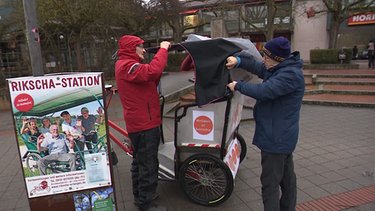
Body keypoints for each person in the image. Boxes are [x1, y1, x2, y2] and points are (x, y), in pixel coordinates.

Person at [226, 36, 305, 211]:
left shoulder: (289, 75)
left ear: (278, 59)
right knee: (286, 179)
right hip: (280, 137)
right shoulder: (280, 68)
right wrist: (238, 60)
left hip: (275, 138)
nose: (263, 59)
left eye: (267, 57)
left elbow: (265, 90)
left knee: (270, 184)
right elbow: (259, 67)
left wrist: (238, 85)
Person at [115, 35, 170, 211]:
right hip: (145, 124)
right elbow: (152, 72)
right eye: (140, 47)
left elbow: (151, 76)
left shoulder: (128, 66)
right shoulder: (127, 66)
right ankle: (146, 204)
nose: (143, 50)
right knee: (148, 164)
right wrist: (163, 49)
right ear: (132, 49)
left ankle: (141, 196)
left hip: (140, 123)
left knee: (140, 162)